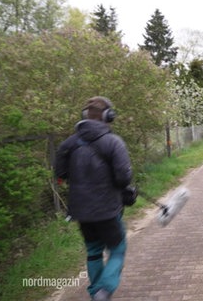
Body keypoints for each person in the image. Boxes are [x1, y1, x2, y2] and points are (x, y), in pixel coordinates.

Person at [54, 96, 132, 301]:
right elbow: (124, 177)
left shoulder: (68, 144)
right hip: (107, 209)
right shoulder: (113, 142)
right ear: (109, 116)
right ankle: (105, 290)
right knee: (117, 248)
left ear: (85, 116)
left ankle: (95, 291)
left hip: (81, 210)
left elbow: (60, 174)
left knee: (94, 250)